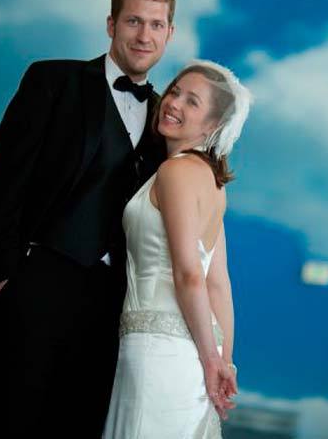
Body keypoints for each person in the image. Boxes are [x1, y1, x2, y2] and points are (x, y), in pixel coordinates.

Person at [0, 0, 175, 439]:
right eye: (134, 21)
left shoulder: (166, 115)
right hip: (38, 277)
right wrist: (2, 276)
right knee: (10, 414)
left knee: (78, 421)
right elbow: (3, 181)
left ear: (169, 33)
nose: (144, 35)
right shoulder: (53, 80)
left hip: (114, 300)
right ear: (111, 24)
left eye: (155, 24)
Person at [103, 59, 252, 439]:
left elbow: (190, 275)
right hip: (196, 350)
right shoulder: (214, 183)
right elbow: (219, 284)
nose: (174, 103)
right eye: (174, 92)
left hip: (160, 352)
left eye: (192, 102)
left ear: (212, 125)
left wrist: (210, 361)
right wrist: (224, 361)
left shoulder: (177, 172)